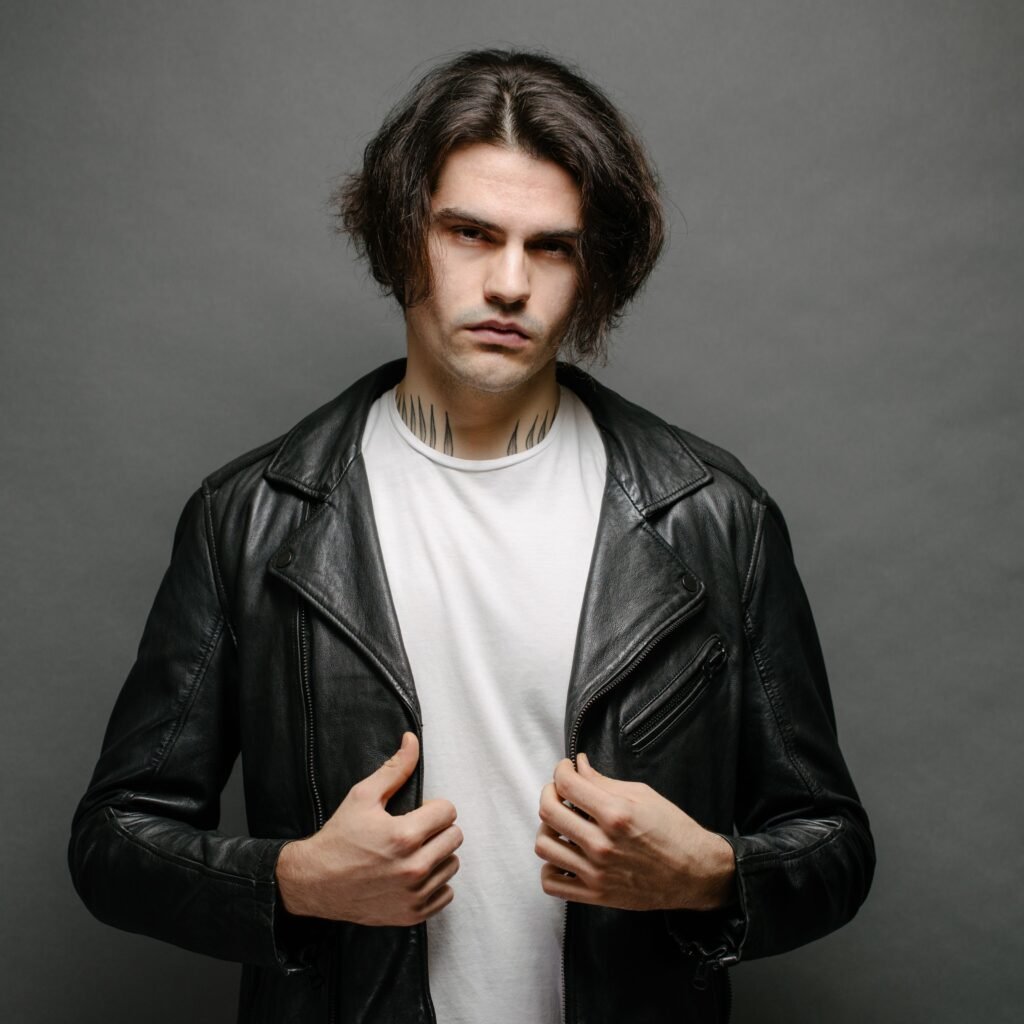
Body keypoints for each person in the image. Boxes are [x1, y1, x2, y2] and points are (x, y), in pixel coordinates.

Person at [69, 49, 874, 1024]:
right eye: (468, 232)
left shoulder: (711, 515)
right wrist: (293, 880)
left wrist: (708, 871)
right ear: (400, 238)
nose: (507, 281)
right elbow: (113, 841)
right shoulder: (253, 515)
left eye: (552, 246)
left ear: (593, 272)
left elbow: (831, 844)